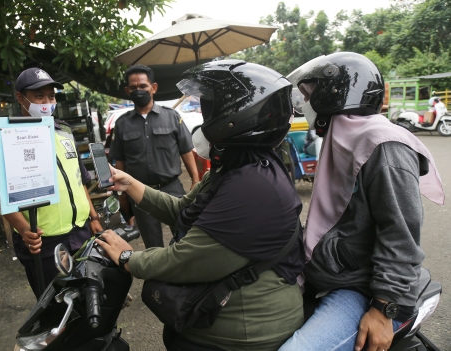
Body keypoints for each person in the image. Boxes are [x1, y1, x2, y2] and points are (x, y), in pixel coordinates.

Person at [96, 60, 305, 351]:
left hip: (244, 333)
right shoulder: (236, 167)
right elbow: (182, 210)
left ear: (237, 115)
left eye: (209, 106)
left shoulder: (252, 187)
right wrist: (130, 183)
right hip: (219, 313)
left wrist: (129, 258)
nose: (205, 115)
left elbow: (186, 260)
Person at [278, 52, 444, 351]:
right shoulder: (342, 139)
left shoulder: (384, 147)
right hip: (331, 275)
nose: (305, 103)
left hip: (363, 288)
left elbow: (401, 235)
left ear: (334, 94)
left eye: (310, 94)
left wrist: (384, 309)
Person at [0, 68, 103, 298]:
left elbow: (80, 180)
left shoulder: (64, 131)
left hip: (81, 234)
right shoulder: (7, 137)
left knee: (90, 296)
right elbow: (3, 196)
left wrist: (94, 217)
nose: (47, 102)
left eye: (51, 96)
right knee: (57, 307)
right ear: (21, 98)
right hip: (45, 243)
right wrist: (23, 229)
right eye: (39, 96)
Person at [109, 64, 200, 248]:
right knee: (153, 245)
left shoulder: (172, 117)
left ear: (153, 87)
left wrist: (195, 180)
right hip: (141, 192)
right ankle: (161, 277)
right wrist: (123, 194)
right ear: (127, 91)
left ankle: (186, 275)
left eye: (143, 86)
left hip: (172, 188)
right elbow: (120, 160)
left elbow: (186, 150)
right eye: (133, 88)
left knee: (184, 237)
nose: (138, 91)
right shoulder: (122, 124)